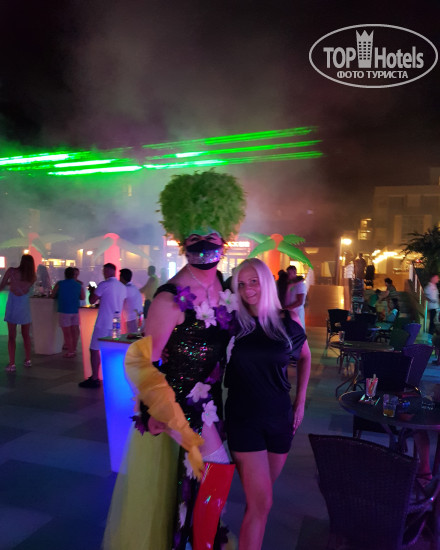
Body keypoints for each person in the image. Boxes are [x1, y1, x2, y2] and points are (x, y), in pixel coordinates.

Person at [103, 170, 246, 550]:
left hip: (214, 399)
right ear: (181, 240)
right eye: (194, 237)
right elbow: (143, 361)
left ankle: (199, 540)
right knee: (213, 471)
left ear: (225, 237)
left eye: (211, 235)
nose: (203, 244)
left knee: (199, 485)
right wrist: (154, 410)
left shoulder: (226, 289)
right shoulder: (169, 298)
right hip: (181, 402)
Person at [224, 258, 311, 550]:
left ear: (267, 282)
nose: (247, 289)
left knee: (260, 501)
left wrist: (300, 402)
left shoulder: (288, 320)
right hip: (243, 418)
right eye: (241, 284)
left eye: (254, 282)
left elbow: (305, 356)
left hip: (280, 418)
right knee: (262, 502)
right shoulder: (232, 323)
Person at [78, 263, 127, 388]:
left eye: (104, 271)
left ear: (109, 271)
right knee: (112, 350)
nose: (103, 273)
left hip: (103, 322)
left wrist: (92, 290)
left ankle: (95, 378)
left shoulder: (103, 285)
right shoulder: (122, 287)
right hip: (116, 323)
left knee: (94, 349)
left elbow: (92, 300)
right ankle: (113, 377)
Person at [0, 254, 36, 371]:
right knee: (26, 335)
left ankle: (12, 364)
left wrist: (9, 284)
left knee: (12, 336)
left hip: (13, 305)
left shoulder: (11, 271)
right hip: (24, 306)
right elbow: (23, 286)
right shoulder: (32, 277)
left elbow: (1, 286)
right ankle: (28, 360)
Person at [51, 266, 85, 357]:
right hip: (75, 310)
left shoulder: (60, 284)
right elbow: (82, 297)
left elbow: (52, 295)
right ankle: (74, 349)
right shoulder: (78, 285)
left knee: (67, 333)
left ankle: (70, 351)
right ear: (73, 275)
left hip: (64, 310)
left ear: (65, 274)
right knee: (74, 332)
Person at [119, 268, 144, 333]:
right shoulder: (133, 287)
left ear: (122, 278)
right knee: (138, 338)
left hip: (132, 319)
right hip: (139, 318)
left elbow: (118, 300)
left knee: (132, 338)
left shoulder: (126, 289)